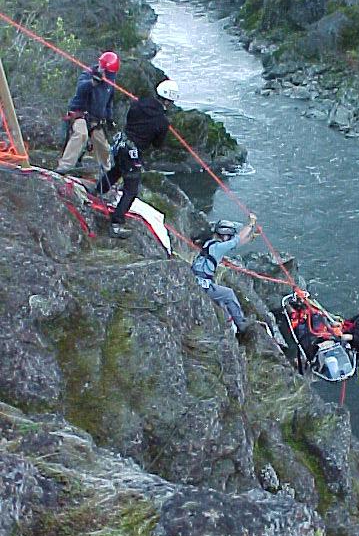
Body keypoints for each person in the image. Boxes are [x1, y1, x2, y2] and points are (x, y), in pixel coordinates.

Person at [95, 79, 179, 238]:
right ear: (169, 100)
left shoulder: (139, 103)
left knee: (117, 171)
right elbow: (157, 144)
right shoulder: (162, 121)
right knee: (131, 190)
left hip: (121, 144)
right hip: (133, 152)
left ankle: (98, 190)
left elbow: (129, 118)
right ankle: (116, 223)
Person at [56, 51, 120, 174]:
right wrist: (93, 82)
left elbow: (108, 103)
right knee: (81, 134)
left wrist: (109, 118)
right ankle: (64, 167)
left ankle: (106, 174)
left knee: (103, 146)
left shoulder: (110, 82)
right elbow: (80, 88)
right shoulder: (88, 74)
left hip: (96, 119)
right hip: (80, 113)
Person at [191, 215, 257, 333]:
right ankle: (241, 323)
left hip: (196, 279)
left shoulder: (211, 244)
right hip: (202, 284)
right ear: (225, 235)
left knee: (221, 297)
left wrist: (251, 236)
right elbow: (237, 240)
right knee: (228, 294)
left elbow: (236, 243)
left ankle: (228, 321)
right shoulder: (218, 248)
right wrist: (251, 223)